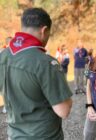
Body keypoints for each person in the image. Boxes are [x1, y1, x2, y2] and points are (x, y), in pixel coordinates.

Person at [0, 8, 72, 140]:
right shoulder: (46, 63)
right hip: (43, 136)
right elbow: (63, 110)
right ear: (44, 31)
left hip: (14, 135)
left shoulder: (3, 56)